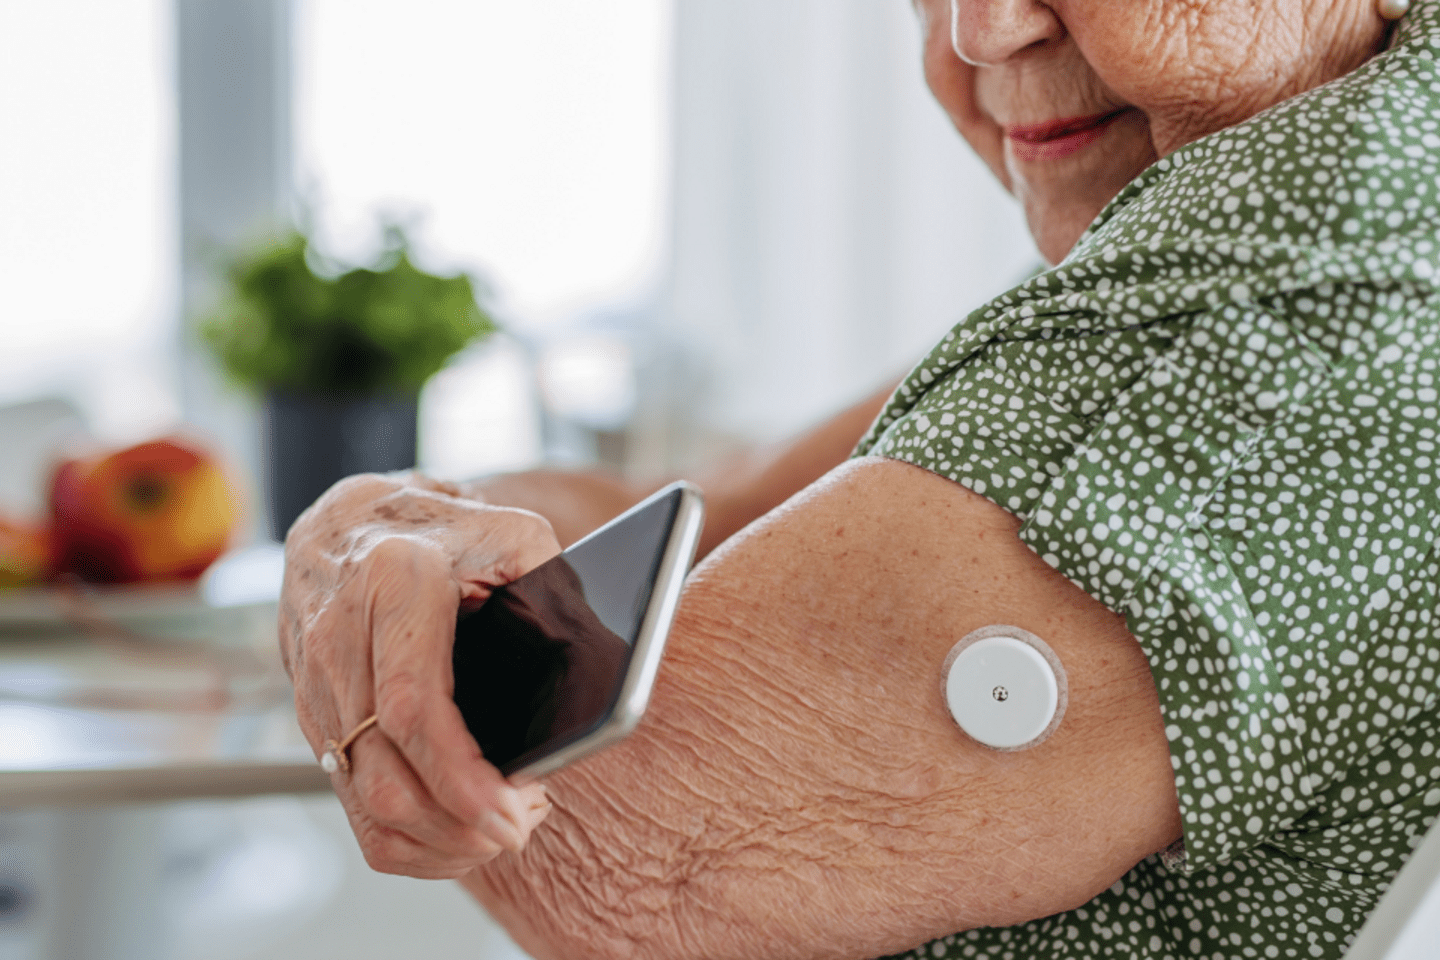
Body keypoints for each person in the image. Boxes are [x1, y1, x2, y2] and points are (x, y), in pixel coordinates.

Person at [279, 0, 1440, 956]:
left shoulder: (1307, 242)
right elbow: (718, 498)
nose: (980, 34)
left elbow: (621, 858)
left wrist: (351, 585)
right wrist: (387, 536)